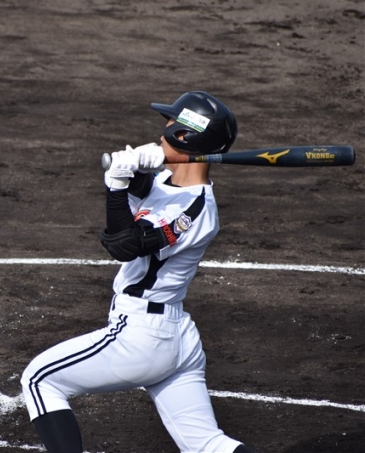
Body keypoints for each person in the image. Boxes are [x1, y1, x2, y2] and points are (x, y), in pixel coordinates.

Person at [20, 91, 257, 453]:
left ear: (184, 135)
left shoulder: (196, 209)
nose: (160, 133)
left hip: (143, 337)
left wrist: (117, 185)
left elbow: (125, 245)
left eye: (168, 126)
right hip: (176, 338)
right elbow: (142, 197)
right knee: (206, 444)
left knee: (40, 380)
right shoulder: (167, 182)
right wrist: (134, 170)